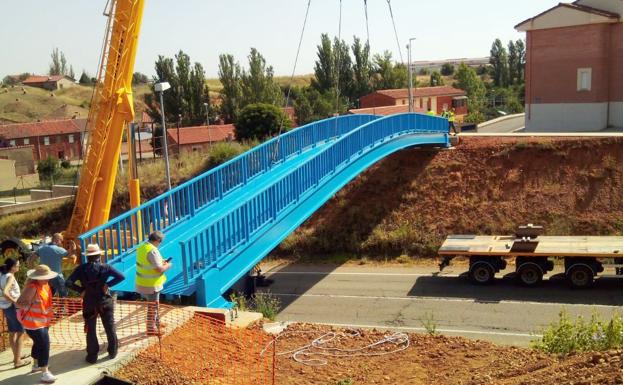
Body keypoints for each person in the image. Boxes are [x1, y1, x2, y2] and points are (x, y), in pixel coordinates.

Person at [66, 244, 125, 364]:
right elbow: (121, 276)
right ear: (99, 255)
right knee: (109, 327)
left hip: (89, 302)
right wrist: (108, 284)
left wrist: (81, 290)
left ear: (87, 257)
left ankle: (92, 356)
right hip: (104, 301)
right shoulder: (106, 267)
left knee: (91, 329)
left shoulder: (81, 269)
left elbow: (68, 282)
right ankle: (112, 352)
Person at [16, 265, 57, 384]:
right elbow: (19, 303)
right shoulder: (32, 287)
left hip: (43, 321)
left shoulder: (46, 285)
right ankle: (45, 372)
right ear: (37, 277)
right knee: (44, 344)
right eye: (44, 277)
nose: (47, 279)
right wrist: (28, 304)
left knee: (39, 343)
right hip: (33, 323)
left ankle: (36, 365)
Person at [135, 231, 172, 335]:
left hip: (142, 282)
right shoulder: (152, 251)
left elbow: (148, 261)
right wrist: (168, 265)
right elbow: (159, 269)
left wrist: (162, 260)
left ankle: (156, 322)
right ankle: (151, 329)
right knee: (153, 307)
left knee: (153, 305)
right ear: (158, 241)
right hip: (151, 284)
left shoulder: (142, 246)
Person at [0, 258, 30, 369]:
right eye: (17, 265)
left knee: (12, 332)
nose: (19, 267)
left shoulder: (1, 274)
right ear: (12, 267)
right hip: (13, 307)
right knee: (20, 332)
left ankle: (16, 356)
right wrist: (17, 303)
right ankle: (17, 362)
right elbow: (5, 292)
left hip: (5, 306)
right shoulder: (10, 277)